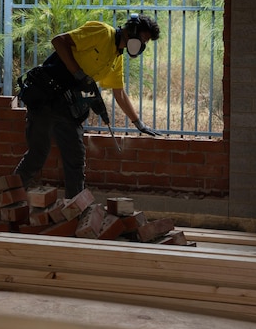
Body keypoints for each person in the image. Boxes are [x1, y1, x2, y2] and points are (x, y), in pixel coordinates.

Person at [13, 13, 161, 198]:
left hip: (68, 106)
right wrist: (78, 73)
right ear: (131, 31)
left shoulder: (117, 59)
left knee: (75, 158)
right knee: (37, 154)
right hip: (46, 96)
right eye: (142, 39)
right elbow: (59, 41)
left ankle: (74, 210)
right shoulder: (102, 32)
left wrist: (139, 123)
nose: (142, 45)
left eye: (145, 42)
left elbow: (119, 93)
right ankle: (9, 199)